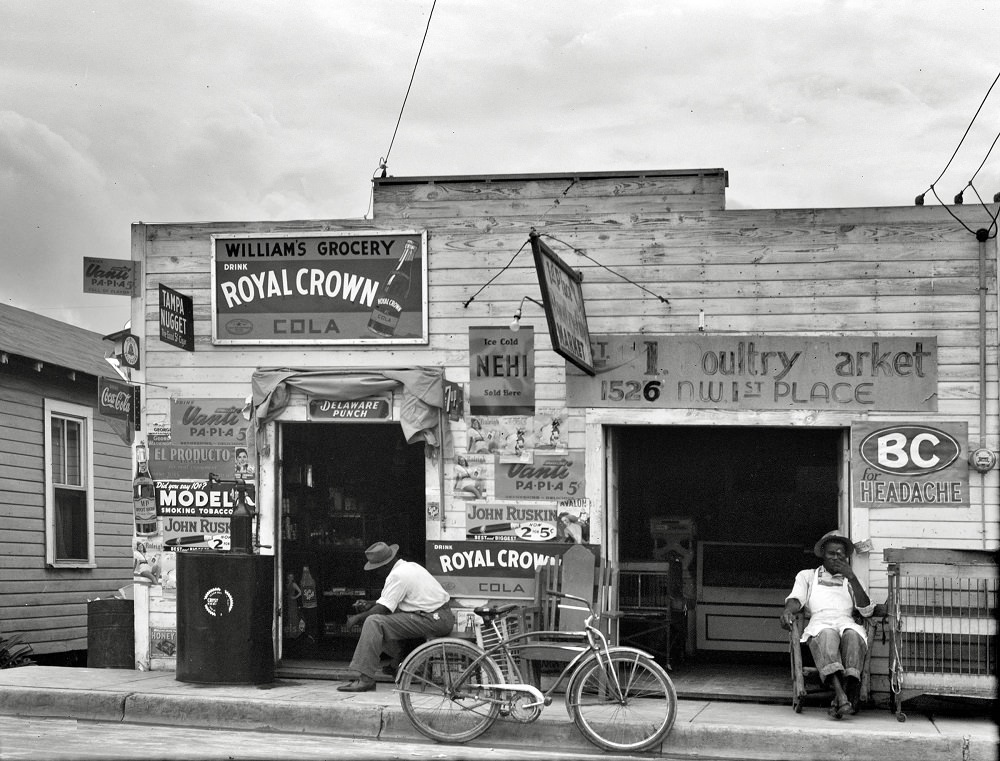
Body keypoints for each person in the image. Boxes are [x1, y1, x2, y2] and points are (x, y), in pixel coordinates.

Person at [780, 530, 874, 719]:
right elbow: (795, 599)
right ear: (823, 554)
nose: (836, 557)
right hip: (821, 623)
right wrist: (788, 611)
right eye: (831, 553)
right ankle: (841, 695)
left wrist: (852, 578)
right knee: (828, 634)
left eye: (840, 554)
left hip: (846, 621)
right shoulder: (808, 576)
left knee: (853, 635)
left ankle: (839, 700)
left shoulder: (852, 580)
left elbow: (866, 610)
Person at [338, 541, 454, 693]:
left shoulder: (397, 575)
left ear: (384, 566)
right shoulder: (409, 566)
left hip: (434, 619)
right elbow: (393, 601)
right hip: (440, 617)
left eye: (377, 569)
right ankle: (397, 663)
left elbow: (382, 609)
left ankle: (366, 679)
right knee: (390, 616)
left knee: (374, 622)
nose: (377, 573)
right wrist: (370, 603)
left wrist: (357, 617)